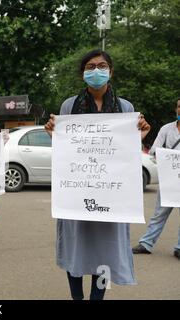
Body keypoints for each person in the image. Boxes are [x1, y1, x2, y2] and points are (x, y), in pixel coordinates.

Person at [44, 49, 151, 300]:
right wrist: (54, 134)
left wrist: (140, 137)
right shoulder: (69, 105)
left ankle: (97, 298)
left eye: (101, 66)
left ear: (110, 71)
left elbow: (125, 153)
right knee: (75, 249)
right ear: (83, 73)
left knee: (105, 254)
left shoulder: (125, 107)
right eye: (90, 66)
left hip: (110, 198)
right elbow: (66, 149)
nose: (96, 71)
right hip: (77, 193)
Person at [133, 97, 180, 259]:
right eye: (179, 107)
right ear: (176, 109)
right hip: (169, 182)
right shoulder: (167, 129)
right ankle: (146, 243)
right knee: (159, 214)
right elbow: (154, 151)